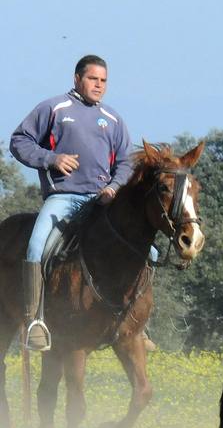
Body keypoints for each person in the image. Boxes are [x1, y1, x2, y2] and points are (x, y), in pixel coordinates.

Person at [9, 54, 133, 351]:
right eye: (93, 79)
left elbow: (126, 162)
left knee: (147, 250)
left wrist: (114, 188)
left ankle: (134, 324)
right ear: (77, 79)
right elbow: (19, 141)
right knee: (36, 248)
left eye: (103, 80)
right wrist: (52, 159)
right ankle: (35, 321)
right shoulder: (54, 108)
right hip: (63, 198)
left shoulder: (113, 119)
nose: (99, 85)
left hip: (101, 201)